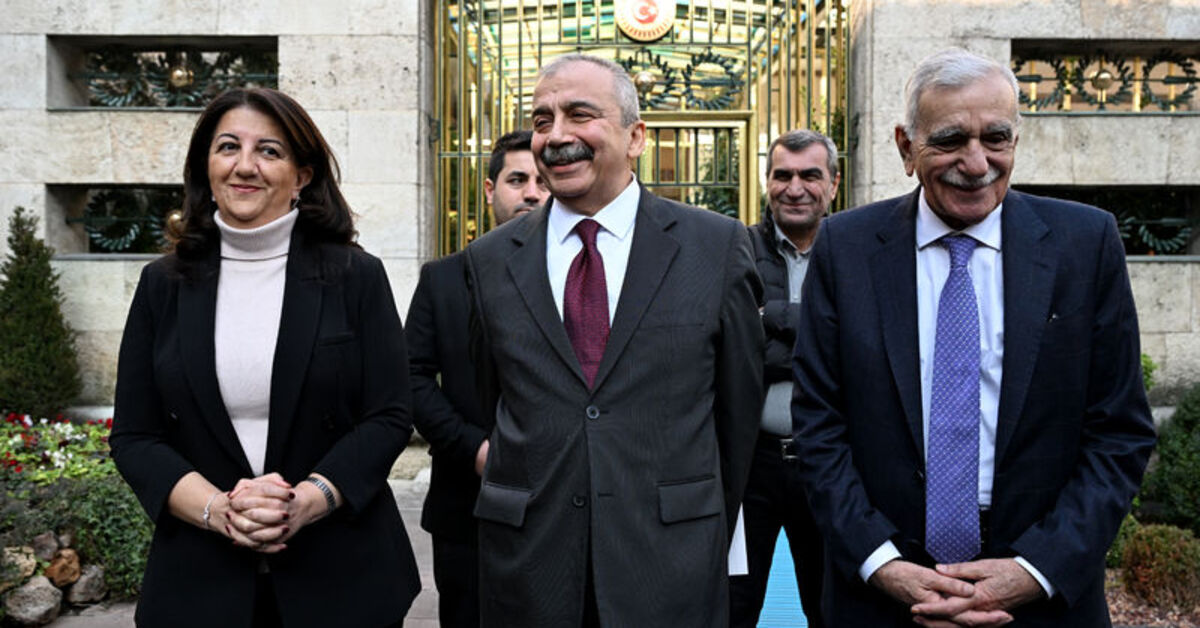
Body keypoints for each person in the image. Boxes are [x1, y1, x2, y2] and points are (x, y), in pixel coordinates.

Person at [790, 47, 1156, 626]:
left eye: (996, 138)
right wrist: (883, 565)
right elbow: (818, 426)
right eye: (951, 139)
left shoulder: (1085, 245)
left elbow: (1119, 432)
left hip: (1044, 598)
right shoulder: (846, 248)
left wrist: (1035, 570)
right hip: (882, 598)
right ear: (906, 148)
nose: (977, 162)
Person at [464, 53, 764, 627]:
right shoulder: (489, 260)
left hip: (670, 563)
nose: (557, 136)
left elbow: (737, 415)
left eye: (580, 115)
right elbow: (493, 397)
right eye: (542, 119)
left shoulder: (716, 246)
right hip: (531, 568)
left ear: (636, 137)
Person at [110, 87, 421, 627]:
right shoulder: (162, 284)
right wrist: (219, 511)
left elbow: (390, 414)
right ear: (206, 167)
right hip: (199, 584)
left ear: (302, 176)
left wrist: (306, 500)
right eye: (228, 147)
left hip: (342, 578)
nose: (245, 166)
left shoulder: (356, 276)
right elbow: (135, 436)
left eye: (269, 151)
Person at [406, 130, 548, 628]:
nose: (532, 193)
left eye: (543, 181)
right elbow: (410, 377)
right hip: (466, 508)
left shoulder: (580, 277)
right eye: (517, 180)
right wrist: (475, 449)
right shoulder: (443, 278)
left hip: (560, 505)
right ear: (489, 190)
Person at [729, 129, 837, 628]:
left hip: (828, 463)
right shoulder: (736, 249)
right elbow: (732, 349)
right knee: (736, 605)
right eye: (782, 175)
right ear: (766, 181)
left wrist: (768, 317)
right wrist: (820, 332)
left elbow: (855, 351)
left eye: (809, 175)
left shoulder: (852, 251)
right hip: (751, 465)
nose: (795, 188)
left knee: (829, 606)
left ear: (833, 183)